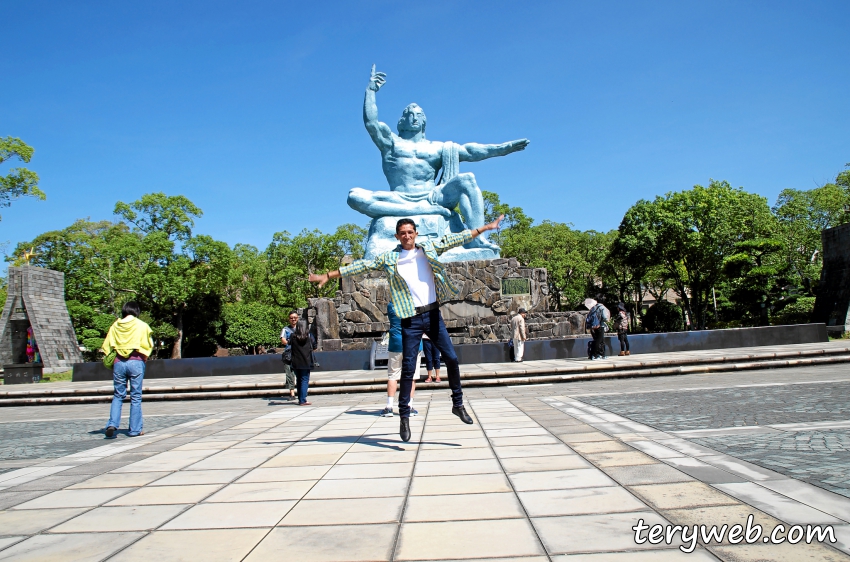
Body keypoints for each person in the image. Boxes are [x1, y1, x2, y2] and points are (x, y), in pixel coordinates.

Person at [309, 213, 505, 441]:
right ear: (397, 236)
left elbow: (458, 238)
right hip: (410, 319)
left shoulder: (428, 248)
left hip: (432, 314)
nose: (407, 236)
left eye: (410, 232)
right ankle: (403, 416)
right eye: (403, 233)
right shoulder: (390, 258)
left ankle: (457, 403)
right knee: (409, 368)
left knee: (451, 358)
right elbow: (362, 265)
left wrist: (486, 228)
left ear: (416, 234)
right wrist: (328, 275)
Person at [102, 301, 153, 438]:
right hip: (136, 361)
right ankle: (135, 430)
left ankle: (112, 424)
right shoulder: (142, 326)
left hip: (119, 363)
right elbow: (148, 345)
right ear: (136, 311)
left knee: (118, 395)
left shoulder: (115, 326)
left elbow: (106, 346)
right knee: (136, 396)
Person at [382, 301, 422, 417]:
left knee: (393, 375)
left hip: (396, 342)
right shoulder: (414, 304)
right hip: (413, 343)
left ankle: (389, 406)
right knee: (412, 376)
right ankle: (408, 406)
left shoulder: (391, 305)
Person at [289, 319, 316, 406]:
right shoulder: (309, 336)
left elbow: (289, 345)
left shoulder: (293, 336)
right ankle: (303, 400)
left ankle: (301, 399)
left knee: (299, 380)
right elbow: (314, 346)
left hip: (296, 361)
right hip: (306, 361)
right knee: (304, 380)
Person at [280, 311, 299, 401]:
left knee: (299, 373)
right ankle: (292, 393)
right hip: (289, 354)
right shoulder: (285, 329)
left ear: (297, 318)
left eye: (295, 317)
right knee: (289, 374)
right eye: (291, 318)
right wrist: (290, 342)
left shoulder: (301, 328)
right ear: (289, 319)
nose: (293, 319)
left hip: (299, 354)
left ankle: (301, 391)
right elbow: (283, 340)